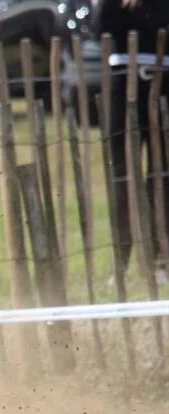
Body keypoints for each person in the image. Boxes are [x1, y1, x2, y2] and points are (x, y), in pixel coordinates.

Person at [95, 0, 169, 285]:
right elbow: (102, 26)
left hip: (162, 84)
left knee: (161, 177)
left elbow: (159, 22)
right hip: (122, 85)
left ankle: (161, 257)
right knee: (121, 177)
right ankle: (121, 261)